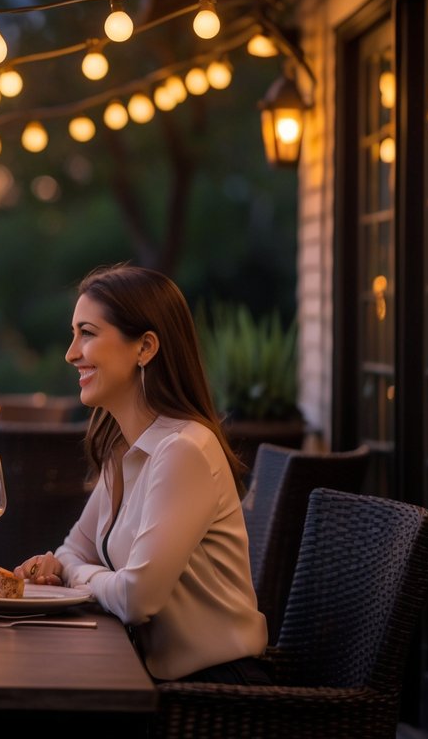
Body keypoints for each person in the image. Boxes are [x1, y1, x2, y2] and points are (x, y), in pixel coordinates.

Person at [15, 264, 269, 684]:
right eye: (73, 334)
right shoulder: (124, 449)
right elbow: (70, 548)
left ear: (145, 347)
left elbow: (136, 598)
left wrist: (77, 575)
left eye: (88, 333)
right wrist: (74, 568)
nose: (71, 352)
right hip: (144, 680)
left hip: (214, 693)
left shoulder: (183, 450)